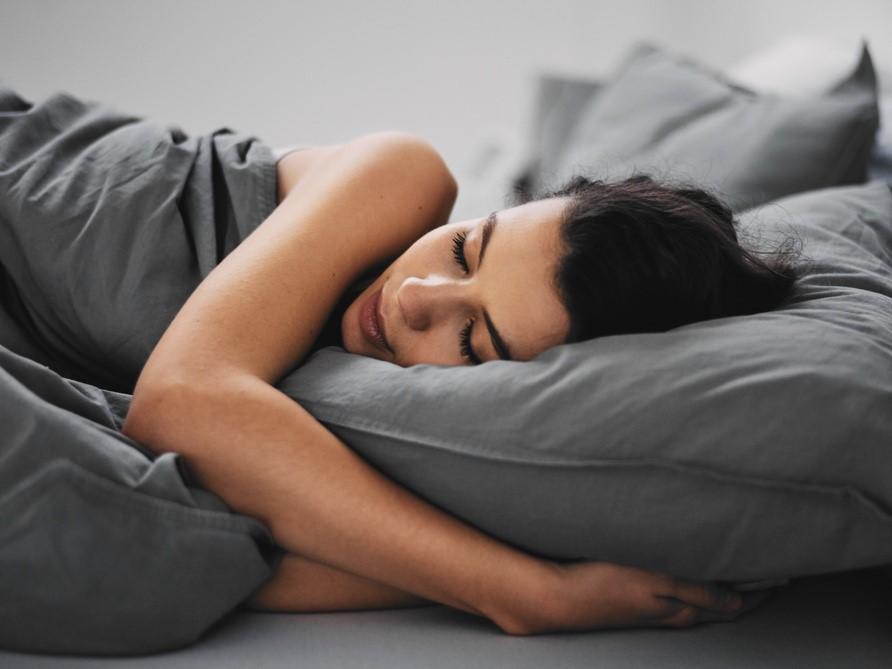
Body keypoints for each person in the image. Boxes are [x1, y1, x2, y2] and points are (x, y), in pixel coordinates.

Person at [121, 131, 793, 635]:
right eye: (464, 248)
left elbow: (230, 566)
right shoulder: (399, 175)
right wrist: (526, 590)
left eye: (472, 340)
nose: (414, 296)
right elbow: (178, 401)